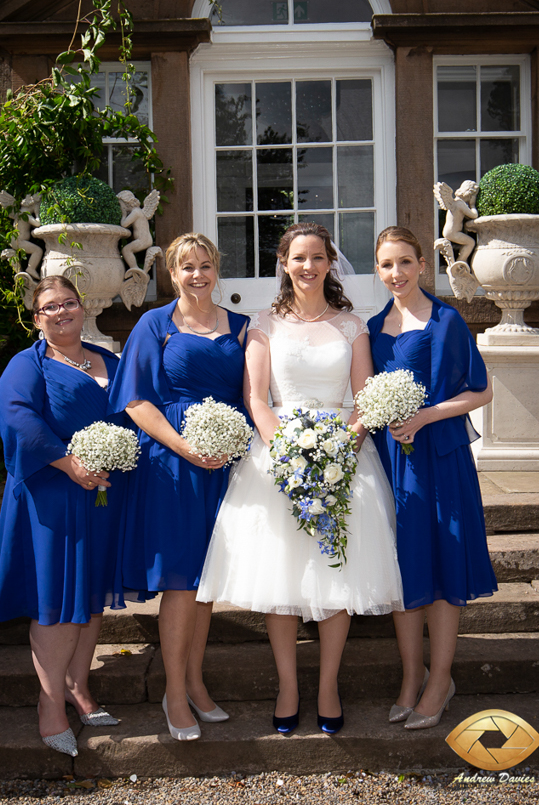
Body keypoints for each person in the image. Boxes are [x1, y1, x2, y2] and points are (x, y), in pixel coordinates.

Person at [197, 223, 404, 736]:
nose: (307, 266)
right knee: (282, 574)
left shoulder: (353, 326)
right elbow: (256, 398)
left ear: (330, 262)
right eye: (298, 258)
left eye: (317, 257)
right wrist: (286, 454)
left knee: (339, 575)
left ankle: (328, 685)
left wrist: (341, 452)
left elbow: (365, 401)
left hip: (342, 456)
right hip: (278, 456)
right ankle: (288, 685)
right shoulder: (264, 324)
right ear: (284, 264)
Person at [107, 233, 249, 742]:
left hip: (226, 463)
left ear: (217, 269)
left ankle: (195, 681)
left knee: (206, 580)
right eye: (187, 267)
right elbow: (136, 401)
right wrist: (188, 449)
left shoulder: (242, 327)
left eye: (206, 265)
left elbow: (252, 396)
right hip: (173, 464)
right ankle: (172, 692)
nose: (198, 275)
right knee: (179, 579)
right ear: (173, 273)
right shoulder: (154, 324)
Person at [0, 275, 128, 758]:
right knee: (56, 602)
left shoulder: (108, 359)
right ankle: (49, 705)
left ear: (82, 308)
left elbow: (134, 410)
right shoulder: (28, 364)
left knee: (88, 597)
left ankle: (79, 687)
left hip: (101, 496)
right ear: (36, 318)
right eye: (50, 307)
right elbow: (16, 415)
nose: (62, 311)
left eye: (69, 303)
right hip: (51, 496)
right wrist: (70, 463)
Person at [367, 226, 497, 730]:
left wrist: (425, 415)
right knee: (405, 569)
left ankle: (440, 680)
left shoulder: (447, 321)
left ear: (422, 264)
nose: (395, 273)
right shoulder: (375, 328)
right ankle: (409, 677)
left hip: (441, 458)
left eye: (403, 262)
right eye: (385, 265)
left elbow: (480, 391)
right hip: (395, 462)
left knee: (442, 565)